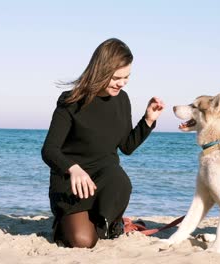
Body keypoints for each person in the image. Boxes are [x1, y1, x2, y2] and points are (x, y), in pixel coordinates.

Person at [41, 38, 165, 248]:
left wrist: (148, 120)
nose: (122, 83)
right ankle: (66, 223)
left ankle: (111, 222)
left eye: (127, 77)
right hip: (72, 184)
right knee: (83, 241)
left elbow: (126, 146)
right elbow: (49, 150)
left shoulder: (122, 100)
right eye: (116, 77)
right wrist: (73, 168)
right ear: (100, 71)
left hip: (106, 181)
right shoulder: (70, 101)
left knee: (119, 179)